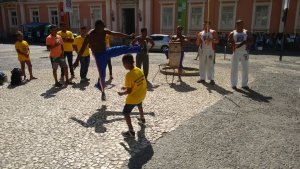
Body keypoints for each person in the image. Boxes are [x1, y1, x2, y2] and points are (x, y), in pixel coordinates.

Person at [73, 20, 141, 101]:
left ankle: (140, 48)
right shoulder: (90, 35)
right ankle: (103, 92)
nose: (104, 28)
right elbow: (82, 49)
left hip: (106, 51)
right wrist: (77, 61)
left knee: (122, 48)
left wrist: (128, 36)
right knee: (102, 76)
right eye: (102, 27)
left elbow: (115, 34)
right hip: (99, 56)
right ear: (97, 27)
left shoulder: (104, 31)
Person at [117, 54, 147, 138]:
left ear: (126, 63)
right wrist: (126, 87)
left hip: (134, 98)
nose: (123, 65)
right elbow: (135, 84)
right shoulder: (138, 69)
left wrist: (121, 93)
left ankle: (131, 131)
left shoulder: (129, 75)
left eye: (123, 63)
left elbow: (129, 91)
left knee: (126, 113)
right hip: (142, 94)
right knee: (139, 104)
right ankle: (142, 118)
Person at [227, 20, 253, 90]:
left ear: (243, 24)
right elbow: (228, 42)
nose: (240, 26)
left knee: (245, 68)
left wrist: (247, 43)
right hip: (236, 52)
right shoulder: (233, 33)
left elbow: (251, 41)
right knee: (234, 68)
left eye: (241, 24)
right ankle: (233, 84)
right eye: (238, 24)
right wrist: (232, 44)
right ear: (236, 25)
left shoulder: (246, 32)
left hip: (245, 52)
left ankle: (244, 84)